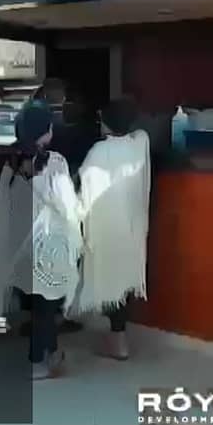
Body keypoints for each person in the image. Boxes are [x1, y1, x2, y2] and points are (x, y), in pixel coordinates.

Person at [0, 103, 83, 379]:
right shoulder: (54, 162)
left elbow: (5, 206)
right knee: (47, 306)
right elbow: (66, 204)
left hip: (23, 246)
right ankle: (38, 362)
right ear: (45, 132)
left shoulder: (11, 162)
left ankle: (52, 353)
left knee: (39, 306)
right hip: (50, 245)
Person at [69, 97, 151, 360]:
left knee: (109, 278)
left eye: (102, 118)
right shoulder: (138, 144)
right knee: (123, 282)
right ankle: (119, 338)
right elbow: (140, 131)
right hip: (131, 227)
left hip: (104, 229)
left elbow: (84, 191)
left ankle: (118, 343)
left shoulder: (98, 151)